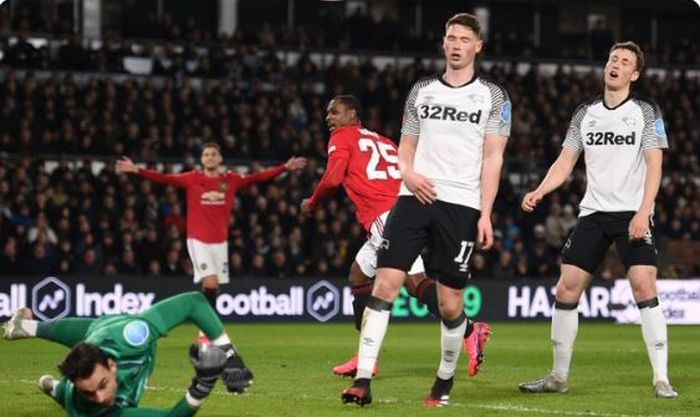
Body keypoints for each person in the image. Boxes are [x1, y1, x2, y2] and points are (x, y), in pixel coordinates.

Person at [340, 13, 512, 407]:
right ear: (443, 43)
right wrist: (409, 175)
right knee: (385, 284)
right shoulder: (421, 91)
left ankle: (443, 381)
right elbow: (406, 146)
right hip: (413, 198)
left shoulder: (494, 96)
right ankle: (363, 381)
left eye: (464, 39)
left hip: (462, 205)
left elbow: (493, 158)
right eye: (450, 37)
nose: (455, 44)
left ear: (477, 46)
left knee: (451, 305)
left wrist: (486, 213)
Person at [518, 41, 677, 399]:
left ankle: (661, 378)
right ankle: (558, 377)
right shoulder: (585, 113)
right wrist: (540, 190)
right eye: (612, 59)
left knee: (644, 286)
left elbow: (656, 165)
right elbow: (565, 162)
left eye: (624, 62)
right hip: (594, 212)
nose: (615, 65)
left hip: (631, 213)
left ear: (635, 74)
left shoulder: (645, 111)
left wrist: (643, 211)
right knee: (566, 288)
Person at [301, 95, 491, 379]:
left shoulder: (343, 136)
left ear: (353, 114)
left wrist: (312, 203)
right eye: (328, 114)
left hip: (386, 218)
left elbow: (332, 178)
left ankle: (468, 328)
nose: (329, 118)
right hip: (400, 210)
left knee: (415, 283)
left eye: (335, 112)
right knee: (358, 275)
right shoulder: (385, 141)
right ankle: (365, 356)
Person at [117, 144, 306, 347]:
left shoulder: (230, 180)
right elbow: (166, 178)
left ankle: (204, 328)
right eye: (206, 154)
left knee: (213, 289)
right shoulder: (192, 179)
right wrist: (137, 170)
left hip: (220, 243)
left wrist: (284, 168)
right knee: (210, 283)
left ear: (220, 158)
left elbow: (257, 177)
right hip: (197, 240)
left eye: (213, 154)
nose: (209, 157)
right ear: (202, 159)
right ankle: (206, 327)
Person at [2, 291, 253, 416]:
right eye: (90, 392)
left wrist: (231, 356)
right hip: (83, 382)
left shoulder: (132, 336)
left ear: (112, 366)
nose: (100, 397)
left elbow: (195, 302)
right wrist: (202, 386)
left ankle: (27, 328)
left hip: (105, 331)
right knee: (69, 398)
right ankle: (54, 387)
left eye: (101, 385)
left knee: (96, 330)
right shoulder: (103, 410)